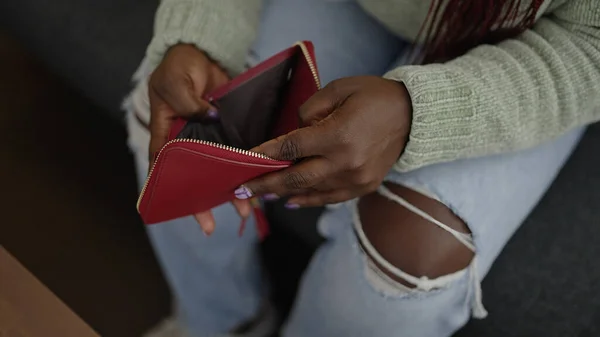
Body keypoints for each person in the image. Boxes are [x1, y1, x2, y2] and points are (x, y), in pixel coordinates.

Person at [124, 0, 600, 336]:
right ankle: (220, 322)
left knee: (407, 255)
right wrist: (201, 28)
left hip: (538, 44)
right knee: (181, 135)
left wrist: (421, 114)